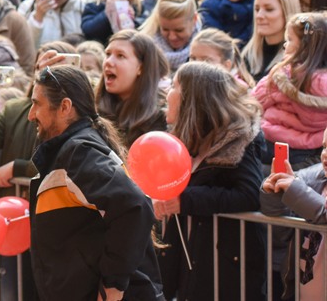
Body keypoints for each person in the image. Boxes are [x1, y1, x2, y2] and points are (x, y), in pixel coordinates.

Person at [28, 65, 164, 301]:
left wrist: (113, 285)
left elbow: (135, 206)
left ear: (65, 107)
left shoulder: (78, 151)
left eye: (36, 103)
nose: (31, 114)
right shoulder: (74, 147)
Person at [155, 61, 266, 301]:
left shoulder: (241, 138)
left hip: (226, 269)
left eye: (174, 86)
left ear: (193, 98)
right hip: (191, 265)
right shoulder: (183, 141)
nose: (167, 93)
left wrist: (184, 200)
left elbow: (249, 195)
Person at [260, 125, 327, 300]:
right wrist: (274, 191)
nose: (325, 154)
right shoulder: (316, 174)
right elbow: (279, 229)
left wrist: (295, 190)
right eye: (325, 146)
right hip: (301, 289)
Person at [254, 12, 327, 170]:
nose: (285, 45)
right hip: (312, 153)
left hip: (272, 145)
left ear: (303, 47)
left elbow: (256, 100)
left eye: (289, 40)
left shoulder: (286, 75)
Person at [99, 30, 169, 148]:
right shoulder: (92, 106)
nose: (109, 62)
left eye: (120, 56)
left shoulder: (161, 117)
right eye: (107, 54)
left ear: (141, 68)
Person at [243, 0, 302, 83]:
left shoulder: (297, 61)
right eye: (256, 9)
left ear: (287, 12)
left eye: (269, 9)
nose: (259, 16)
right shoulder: (248, 54)